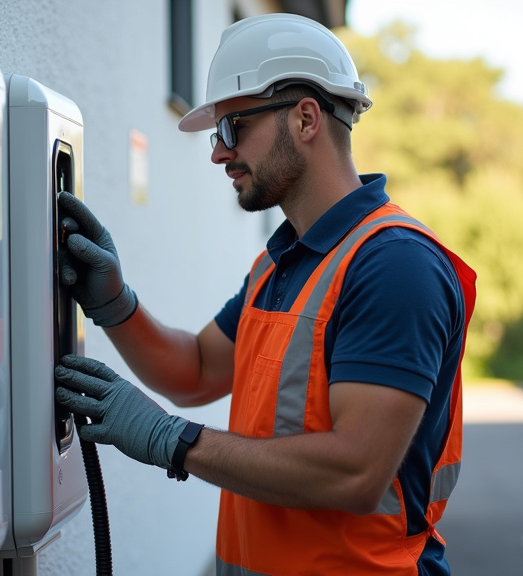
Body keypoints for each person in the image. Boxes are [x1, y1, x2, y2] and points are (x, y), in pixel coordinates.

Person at [54, 13, 477, 576]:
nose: (217, 154)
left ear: (305, 118)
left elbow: (356, 471)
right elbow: (199, 369)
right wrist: (115, 305)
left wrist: (171, 440)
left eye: (233, 129)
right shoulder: (280, 263)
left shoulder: (394, 265)